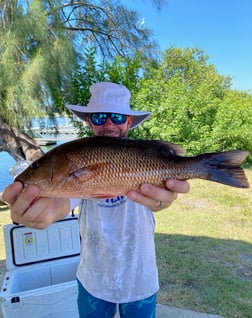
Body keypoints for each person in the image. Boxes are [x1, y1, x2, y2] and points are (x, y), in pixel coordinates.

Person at [2, 82, 189, 318]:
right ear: (90, 121)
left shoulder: (143, 152)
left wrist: (163, 202)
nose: (109, 124)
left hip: (141, 279)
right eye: (100, 117)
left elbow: (162, 197)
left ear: (128, 121)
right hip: (94, 280)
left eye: (118, 116)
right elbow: (62, 202)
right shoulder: (74, 160)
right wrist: (43, 212)